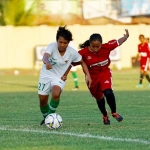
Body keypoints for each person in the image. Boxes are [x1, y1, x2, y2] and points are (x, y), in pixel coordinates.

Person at [38, 26, 92, 125]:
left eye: (65, 43)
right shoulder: (52, 46)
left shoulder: (72, 52)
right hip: (46, 75)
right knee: (42, 101)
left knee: (56, 93)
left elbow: (82, 62)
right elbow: (45, 56)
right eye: (60, 42)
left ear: (68, 43)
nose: (62, 45)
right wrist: (47, 62)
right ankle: (47, 118)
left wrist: (87, 75)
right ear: (57, 41)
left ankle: (49, 118)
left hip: (59, 77)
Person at [77, 29, 129, 125]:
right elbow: (71, 62)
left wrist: (125, 37)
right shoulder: (83, 53)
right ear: (89, 44)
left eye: (98, 46)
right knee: (99, 98)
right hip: (92, 78)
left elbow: (118, 42)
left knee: (108, 92)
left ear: (101, 44)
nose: (96, 49)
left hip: (104, 73)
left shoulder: (106, 47)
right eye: (93, 47)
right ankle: (105, 115)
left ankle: (114, 112)